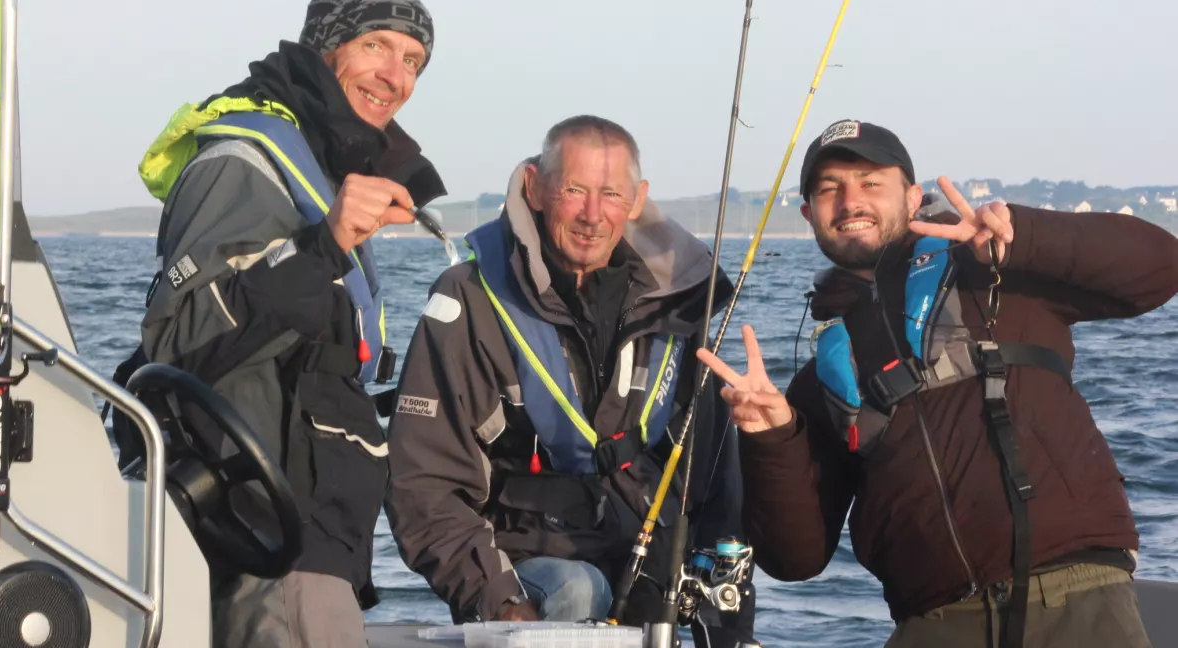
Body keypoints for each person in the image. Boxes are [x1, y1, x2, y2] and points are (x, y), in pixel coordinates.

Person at [697, 118, 1178, 648]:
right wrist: (770, 438)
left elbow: (1161, 269)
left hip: (1075, 597)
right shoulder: (821, 378)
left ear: (913, 198)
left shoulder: (998, 272)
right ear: (810, 214)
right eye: (830, 188)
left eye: (871, 182)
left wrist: (1024, 238)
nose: (851, 201)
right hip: (931, 623)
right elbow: (795, 559)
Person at [113, 0, 447, 648]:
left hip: (315, 539)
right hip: (259, 538)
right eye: (376, 45)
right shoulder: (242, 163)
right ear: (326, 45)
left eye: (413, 61)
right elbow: (178, 340)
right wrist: (321, 247)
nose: (396, 76)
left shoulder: (328, 172)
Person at [385, 115, 757, 647]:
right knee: (577, 588)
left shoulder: (679, 308)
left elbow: (718, 486)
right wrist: (500, 601)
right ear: (535, 189)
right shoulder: (469, 300)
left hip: (647, 565)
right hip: (526, 570)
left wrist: (728, 621)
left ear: (637, 200)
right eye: (574, 190)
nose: (592, 214)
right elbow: (423, 483)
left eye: (611, 194)